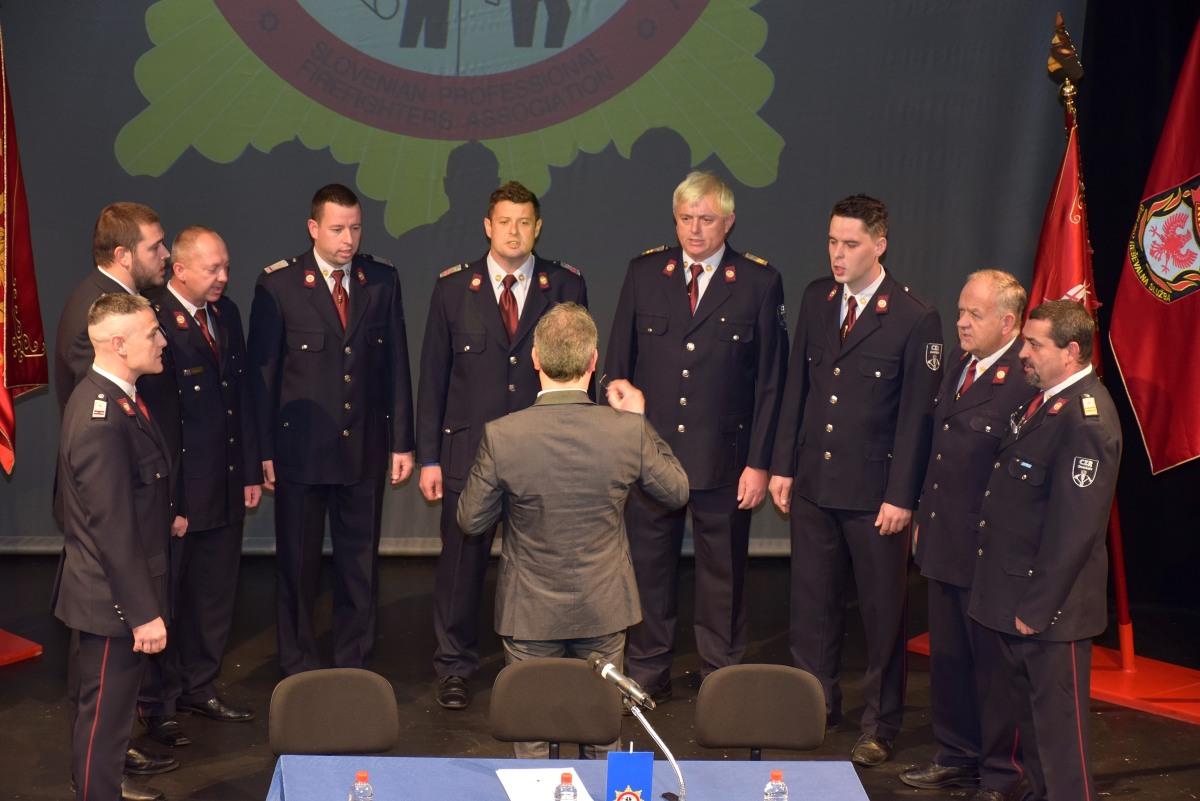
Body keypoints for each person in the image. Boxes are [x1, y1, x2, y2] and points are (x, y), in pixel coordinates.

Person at [457, 302, 689, 757]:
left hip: (529, 611)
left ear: (535, 358)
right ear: (593, 360)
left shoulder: (504, 435)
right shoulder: (626, 431)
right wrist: (639, 420)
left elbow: (471, 520)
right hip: (603, 607)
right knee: (600, 740)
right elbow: (677, 490)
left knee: (532, 744)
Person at [768, 194, 942, 766]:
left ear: (879, 245)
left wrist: (902, 496)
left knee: (881, 613)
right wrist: (784, 464)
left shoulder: (914, 316)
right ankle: (815, 706)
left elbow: (916, 418)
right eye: (832, 242)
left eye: (850, 244)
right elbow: (798, 388)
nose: (837, 255)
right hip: (816, 483)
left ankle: (880, 724)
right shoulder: (818, 298)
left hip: (875, 496)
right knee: (811, 606)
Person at [604, 171, 787, 703]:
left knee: (722, 574)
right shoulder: (644, 273)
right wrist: (618, 417)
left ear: (729, 222)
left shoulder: (757, 282)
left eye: (706, 219)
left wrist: (760, 463)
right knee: (647, 568)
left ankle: (720, 675)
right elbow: (617, 365)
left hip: (724, 457)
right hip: (651, 456)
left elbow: (771, 384)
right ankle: (647, 669)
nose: (695, 229)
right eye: (686, 218)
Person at [417, 180, 588, 709]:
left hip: (544, 456)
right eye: (505, 222)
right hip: (470, 455)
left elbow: (579, 375)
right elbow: (433, 379)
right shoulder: (453, 289)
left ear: (538, 228)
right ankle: (454, 667)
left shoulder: (565, 285)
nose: (514, 232)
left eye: (524, 223)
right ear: (487, 227)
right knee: (460, 568)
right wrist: (428, 458)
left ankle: (536, 669)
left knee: (540, 567)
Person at [247, 183, 415, 676]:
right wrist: (262, 451)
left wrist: (401, 442)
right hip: (299, 452)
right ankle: (297, 664)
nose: (348, 240)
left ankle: (353, 663)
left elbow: (396, 365)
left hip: (363, 448)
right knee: (297, 566)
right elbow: (263, 377)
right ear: (313, 228)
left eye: (356, 228)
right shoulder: (279, 285)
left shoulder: (381, 280)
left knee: (359, 565)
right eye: (338, 229)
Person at [968, 300, 1120, 801]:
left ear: (1071, 351)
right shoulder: (1046, 402)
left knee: (1060, 744)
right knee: (1032, 733)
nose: (1023, 354)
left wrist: (1037, 608)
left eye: (1034, 344)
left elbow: (1075, 530)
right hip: (1016, 598)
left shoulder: (1086, 419)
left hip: (1051, 611)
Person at [52, 202, 181, 791]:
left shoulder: (118, 399)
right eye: (153, 334)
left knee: (105, 722)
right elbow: (111, 527)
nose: (163, 341)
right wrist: (143, 612)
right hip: (111, 606)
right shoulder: (102, 417)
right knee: (103, 729)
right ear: (120, 345)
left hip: (114, 600)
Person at [899, 270, 1030, 795]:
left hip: (988, 550)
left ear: (1008, 322)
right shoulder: (960, 363)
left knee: (993, 670)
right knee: (950, 661)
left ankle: (1002, 772)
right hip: (944, 538)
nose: (962, 323)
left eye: (975, 314)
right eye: (960, 312)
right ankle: (956, 753)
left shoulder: (1024, 380)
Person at [141, 227, 261, 731]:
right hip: (183, 493)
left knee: (215, 596)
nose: (223, 277)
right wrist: (173, 502)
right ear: (180, 269)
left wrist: (250, 470)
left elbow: (240, 398)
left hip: (226, 482)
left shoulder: (225, 314)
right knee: (170, 602)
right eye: (213, 269)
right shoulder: (153, 320)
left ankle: (200, 687)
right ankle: (159, 703)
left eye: (226, 267)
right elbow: (160, 425)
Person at [55, 203, 170, 416]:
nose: (166, 254)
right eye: (155, 247)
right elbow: (100, 408)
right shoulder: (97, 317)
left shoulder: (129, 299)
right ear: (122, 255)